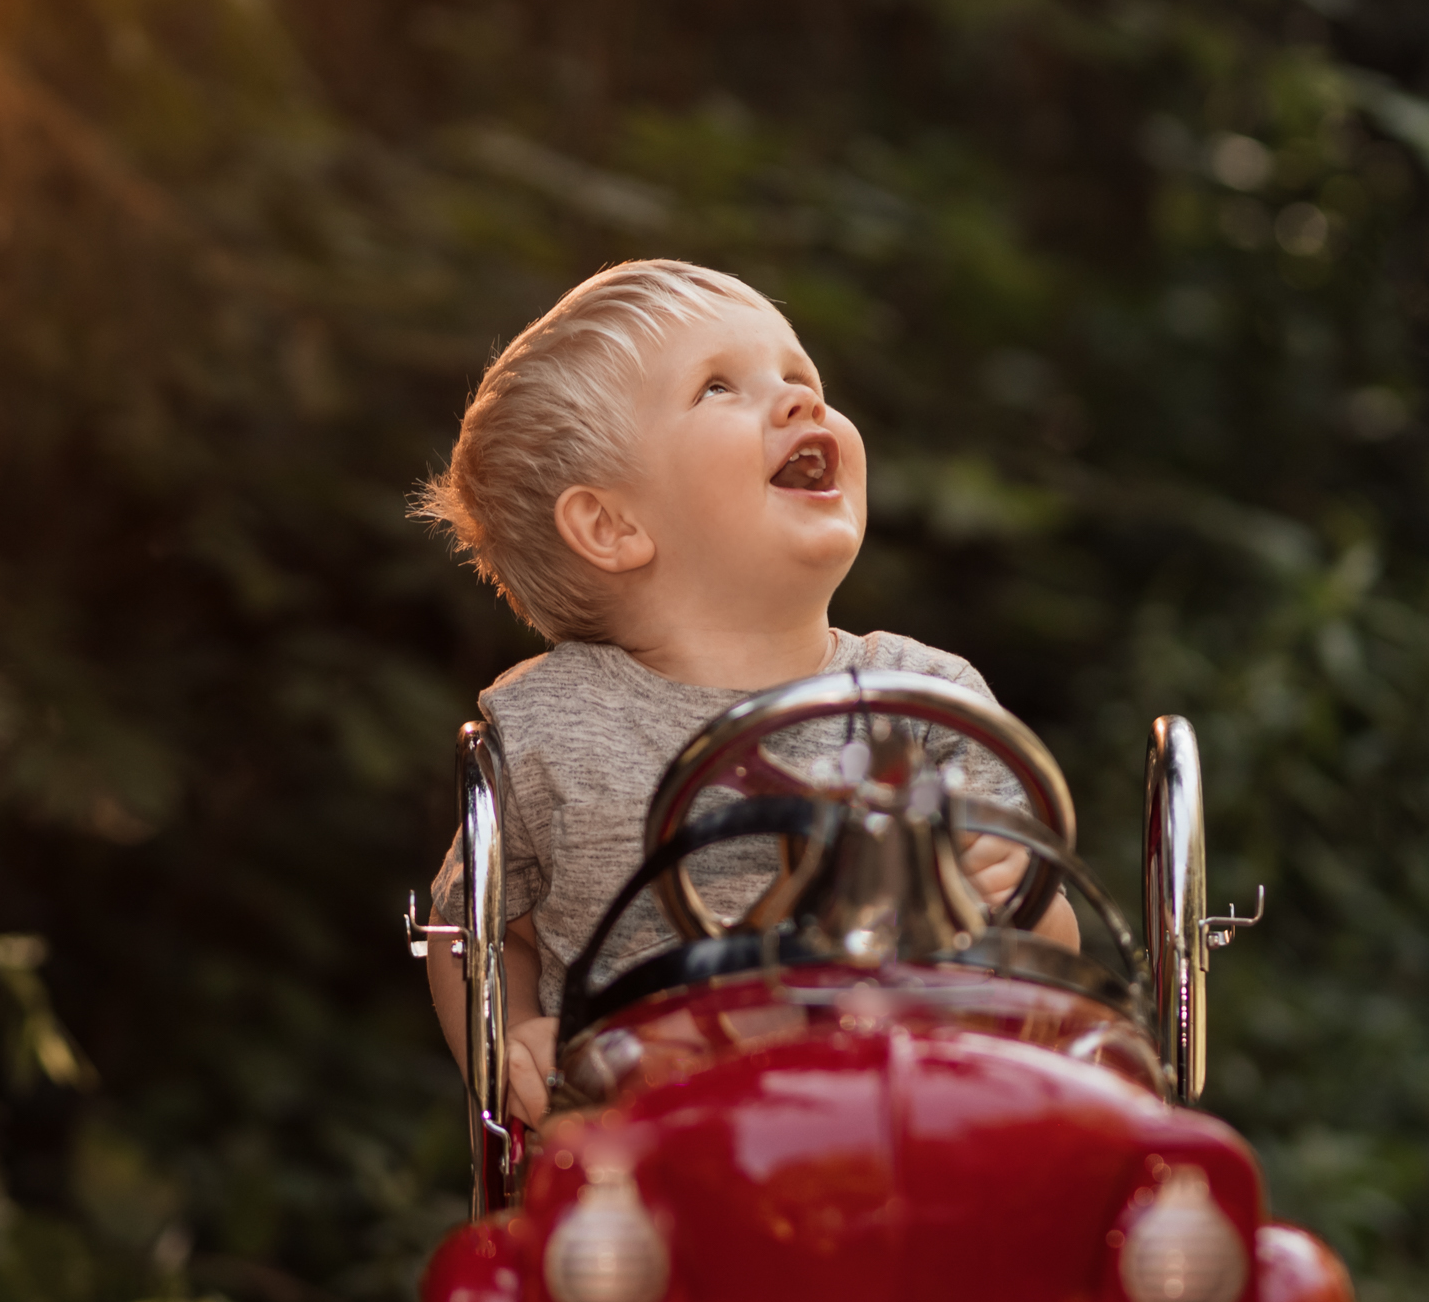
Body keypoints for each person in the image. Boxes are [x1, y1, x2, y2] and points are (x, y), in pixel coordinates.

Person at [415, 258, 1072, 1109]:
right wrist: (509, 1043)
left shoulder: (927, 701)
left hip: (913, 1140)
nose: (803, 399)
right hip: (652, 1170)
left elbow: (1055, 965)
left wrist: (1006, 896)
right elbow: (474, 932)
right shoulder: (550, 725)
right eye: (719, 387)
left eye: (800, 374)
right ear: (611, 524)